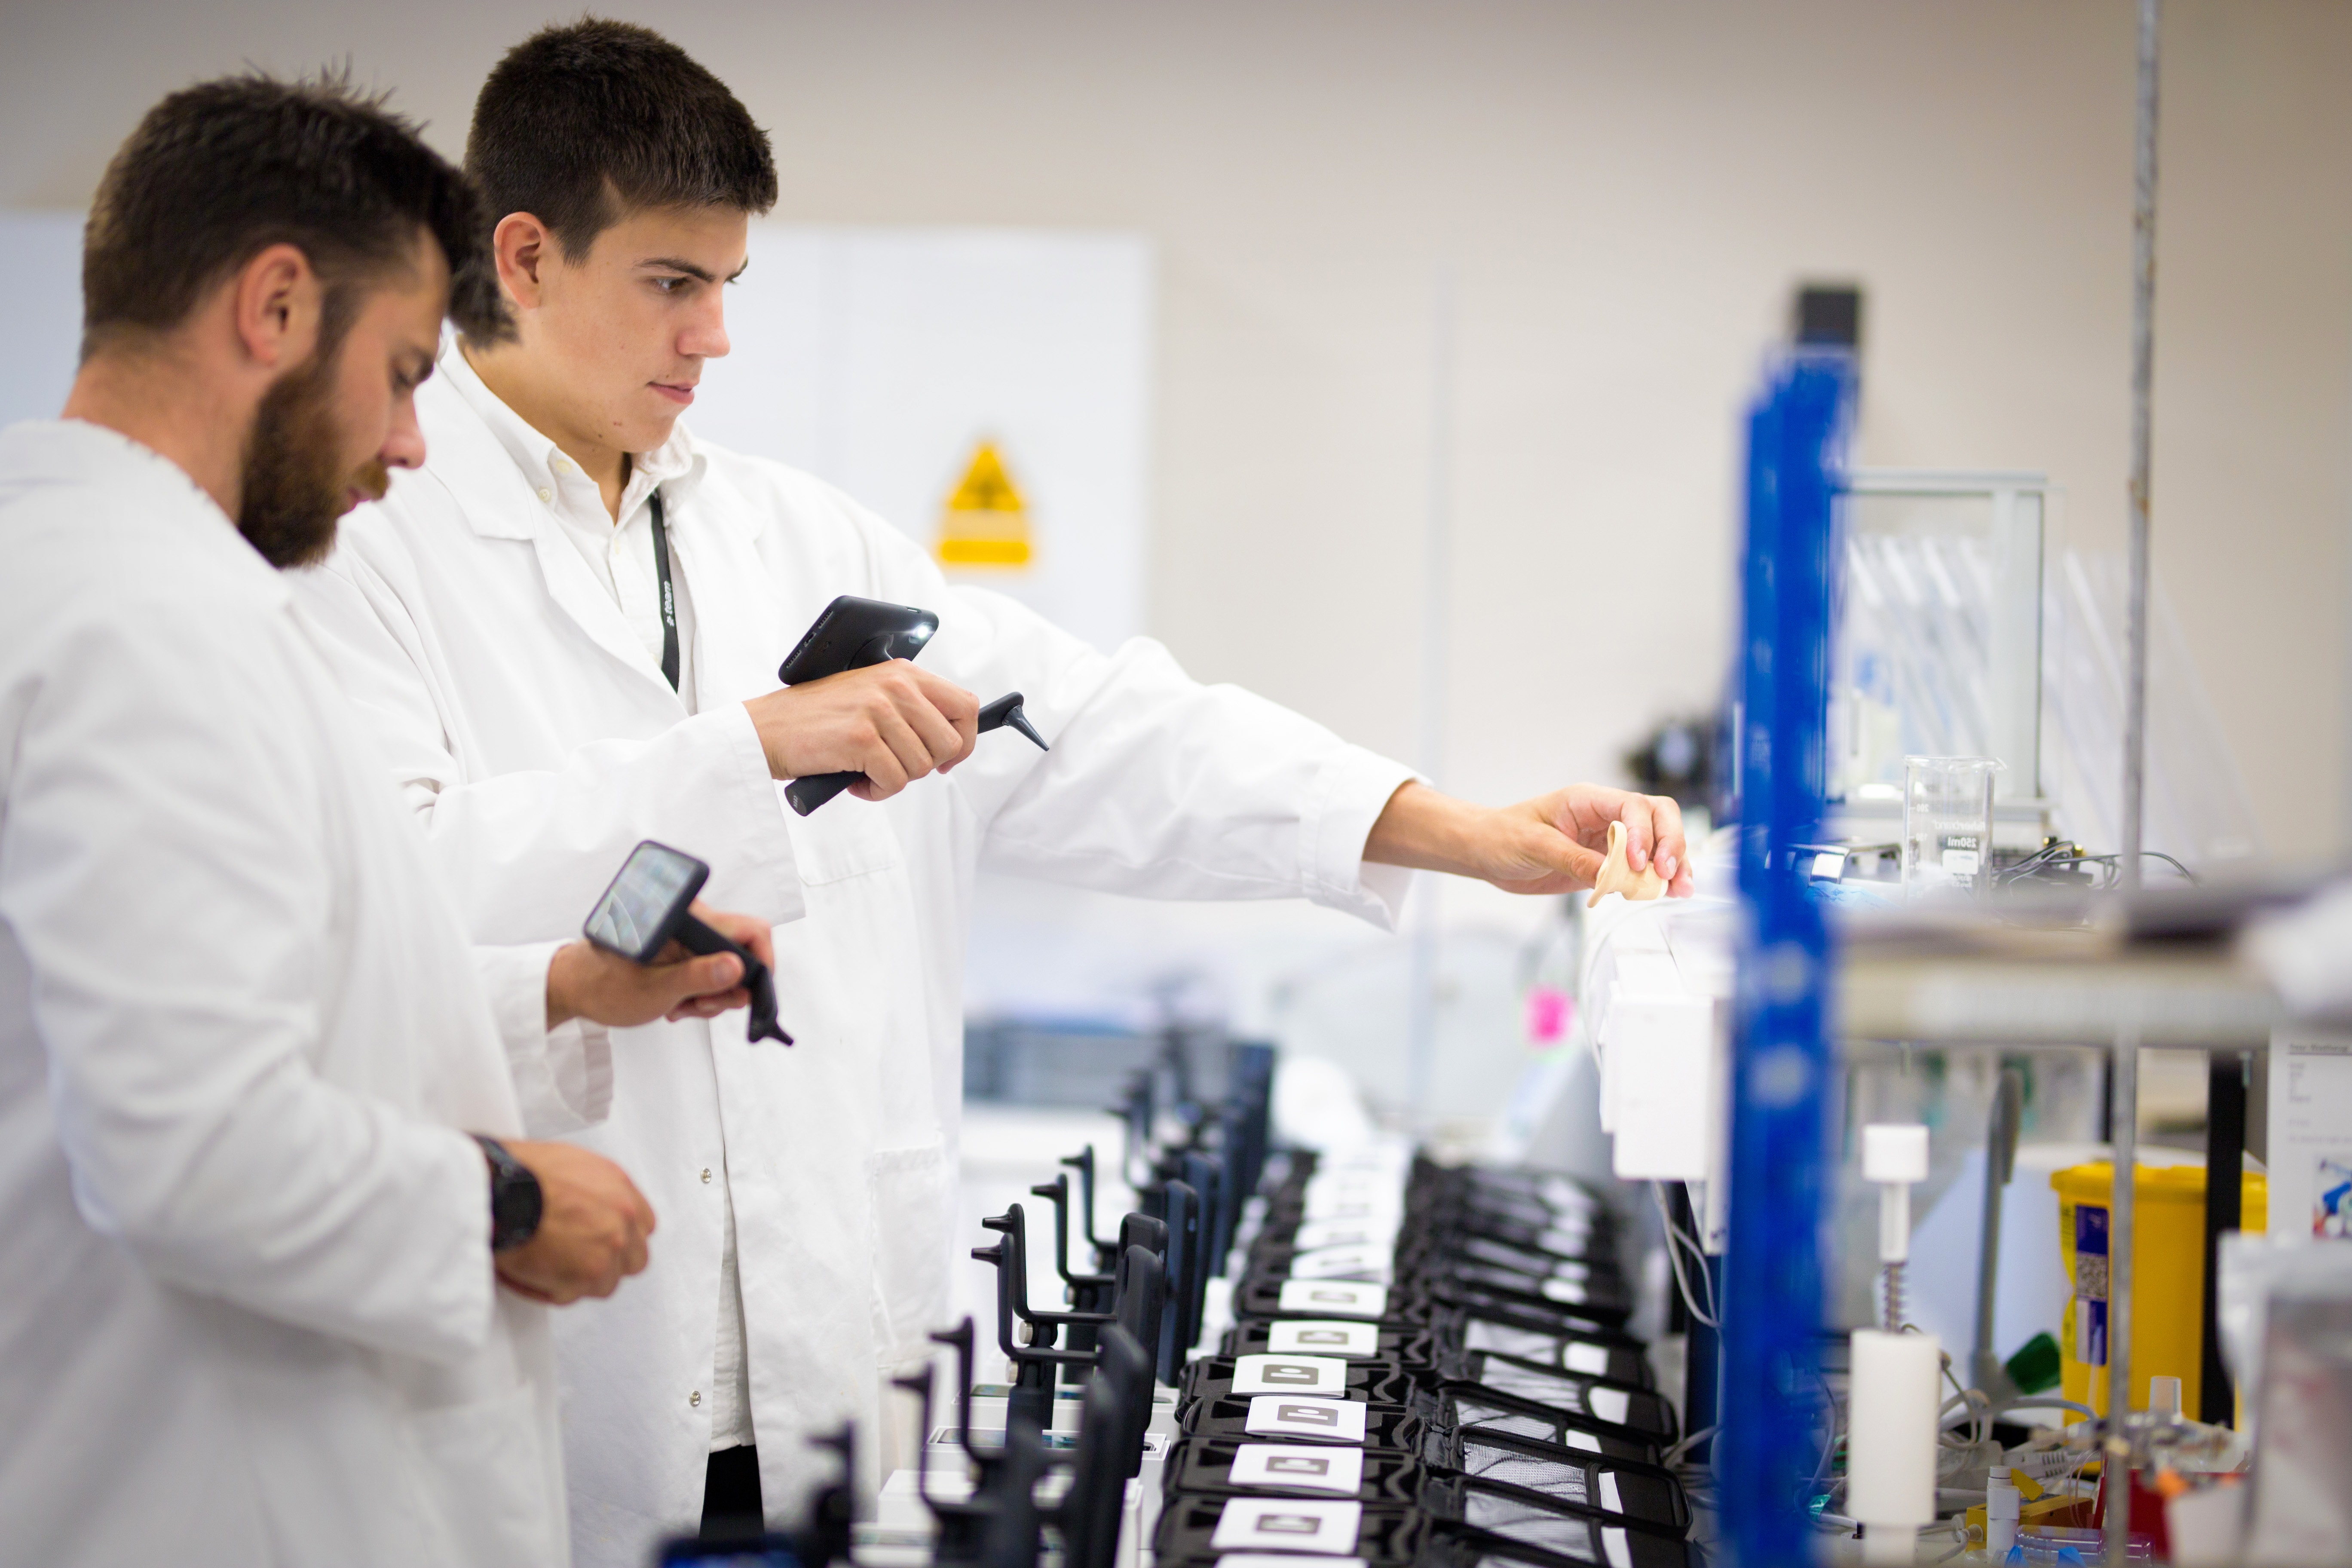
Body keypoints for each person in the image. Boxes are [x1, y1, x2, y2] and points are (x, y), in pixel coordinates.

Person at [293, 20, 1694, 1560]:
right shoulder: (368, 547)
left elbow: (1103, 730)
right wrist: (749, 751)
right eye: (672, 284)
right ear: (526, 257)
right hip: (568, 1364)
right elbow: (389, 892)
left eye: (730, 286)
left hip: (821, 1365)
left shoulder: (796, 538)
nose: (715, 337)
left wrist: (1467, 834)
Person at [0, 74, 773, 1567]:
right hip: (211, 1500)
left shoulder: (93, 576)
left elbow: (241, 1012)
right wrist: (503, 1198)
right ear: (276, 307)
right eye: (408, 372)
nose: (413, 444)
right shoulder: (143, 626)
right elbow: (187, 1142)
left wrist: (562, 988)